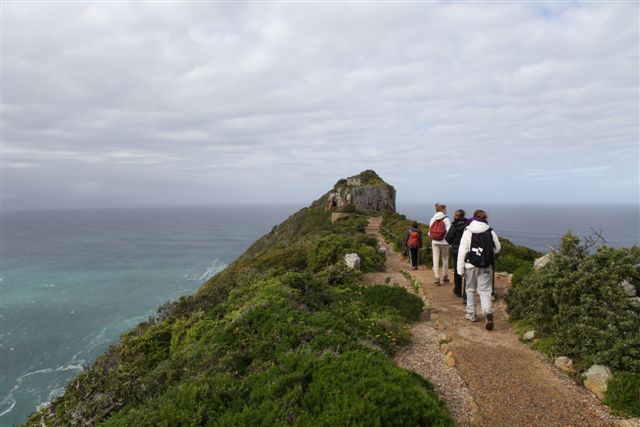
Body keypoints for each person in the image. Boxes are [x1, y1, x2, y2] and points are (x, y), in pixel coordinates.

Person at [457, 210, 501, 330]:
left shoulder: (468, 231)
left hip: (470, 265)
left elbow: (462, 251)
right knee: (485, 290)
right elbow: (497, 248)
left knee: (470, 289)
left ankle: (471, 314)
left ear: (474, 217)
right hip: (486, 265)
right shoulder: (490, 231)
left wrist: (460, 269)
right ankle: (487, 313)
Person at [445, 209, 468, 300]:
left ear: (456, 216)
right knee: (467, 271)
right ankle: (466, 293)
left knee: (458, 270)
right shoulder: (468, 225)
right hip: (467, 251)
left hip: (456, 250)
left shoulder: (453, 226)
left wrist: (453, 243)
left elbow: (448, 238)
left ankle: (457, 291)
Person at [429, 203, 452, 285]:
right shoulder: (446, 219)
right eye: (445, 209)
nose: (446, 211)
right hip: (444, 242)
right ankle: (445, 276)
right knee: (445, 258)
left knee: (435, 259)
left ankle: (437, 277)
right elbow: (449, 231)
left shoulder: (432, 218)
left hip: (434, 241)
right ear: (442, 210)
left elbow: (429, 232)